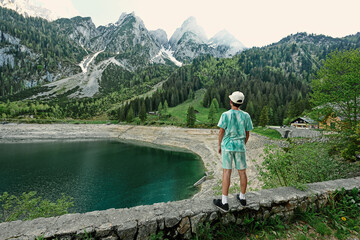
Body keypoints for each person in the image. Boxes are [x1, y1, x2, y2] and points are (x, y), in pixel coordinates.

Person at [213, 91, 253, 212]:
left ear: (231, 102)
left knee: (227, 172)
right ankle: (242, 198)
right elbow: (247, 133)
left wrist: (220, 145)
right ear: (241, 103)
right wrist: (242, 144)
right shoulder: (246, 116)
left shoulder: (225, 115)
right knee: (242, 172)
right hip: (240, 146)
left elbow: (221, 132)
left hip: (228, 146)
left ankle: (224, 202)